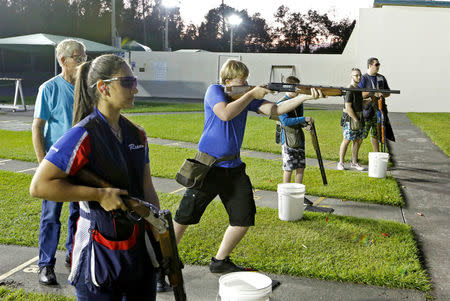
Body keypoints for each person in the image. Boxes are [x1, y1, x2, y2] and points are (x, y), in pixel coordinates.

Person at [173, 59, 324, 274]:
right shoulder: (214, 90)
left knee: (243, 217)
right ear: (227, 81)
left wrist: (305, 96)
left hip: (234, 168)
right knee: (184, 217)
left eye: (246, 80)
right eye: (241, 80)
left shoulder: (244, 98)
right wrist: (251, 94)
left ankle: (220, 261)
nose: (246, 83)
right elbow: (224, 113)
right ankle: (164, 263)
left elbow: (277, 109)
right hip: (208, 166)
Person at [30, 54, 159, 300]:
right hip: (97, 251)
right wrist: (98, 194)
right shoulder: (82, 135)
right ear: (103, 88)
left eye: (134, 81)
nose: (135, 88)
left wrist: (156, 228)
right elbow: (39, 185)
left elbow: (147, 188)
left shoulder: (137, 134)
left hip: (138, 248)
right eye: (128, 82)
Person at [31, 39, 85, 285]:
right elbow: (37, 127)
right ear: (63, 60)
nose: (83, 61)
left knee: (78, 214)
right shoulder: (48, 88)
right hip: (55, 164)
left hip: (81, 162)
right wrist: (43, 163)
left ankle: (73, 257)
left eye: (84, 56)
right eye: (78, 56)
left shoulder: (87, 89)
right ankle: (46, 264)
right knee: (51, 216)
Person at [358, 57, 395, 152]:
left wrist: (382, 94)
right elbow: (358, 94)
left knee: (376, 135)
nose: (378, 66)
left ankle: (377, 154)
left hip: (379, 111)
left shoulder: (381, 78)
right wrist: (372, 93)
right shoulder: (363, 78)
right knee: (361, 135)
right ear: (370, 65)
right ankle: (354, 159)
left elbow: (388, 92)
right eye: (376, 64)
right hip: (367, 112)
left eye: (379, 64)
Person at [338, 68, 365, 171]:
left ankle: (354, 162)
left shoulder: (358, 89)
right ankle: (341, 162)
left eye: (359, 75)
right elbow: (348, 107)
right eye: (356, 75)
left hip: (359, 117)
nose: (358, 77)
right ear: (351, 76)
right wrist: (356, 119)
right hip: (350, 119)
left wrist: (368, 101)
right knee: (346, 140)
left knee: (358, 141)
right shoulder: (350, 90)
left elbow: (358, 104)